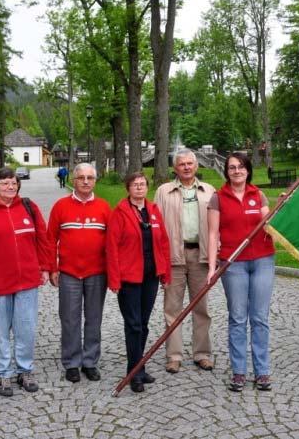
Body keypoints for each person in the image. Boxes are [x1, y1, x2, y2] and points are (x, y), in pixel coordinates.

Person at [0, 167, 54, 397]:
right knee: (1, 330)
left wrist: (45, 267)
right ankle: (4, 372)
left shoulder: (28, 207)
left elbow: (43, 239)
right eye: (5, 183)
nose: (10, 187)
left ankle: (25, 370)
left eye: (13, 183)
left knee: (26, 329)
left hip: (26, 281)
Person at [207, 152, 275, 393]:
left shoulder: (259, 195)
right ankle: (238, 372)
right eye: (232, 168)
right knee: (237, 318)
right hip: (232, 263)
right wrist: (212, 267)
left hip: (262, 261)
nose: (236, 171)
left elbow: (270, 225)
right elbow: (213, 234)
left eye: (240, 167)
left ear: (248, 170)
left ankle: (262, 372)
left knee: (259, 318)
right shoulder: (218, 198)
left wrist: (282, 209)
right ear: (227, 172)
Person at [106, 172, 171, 393]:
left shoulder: (153, 211)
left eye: (143, 184)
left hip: (150, 276)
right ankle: (133, 372)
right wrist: (114, 279)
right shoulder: (120, 213)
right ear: (128, 188)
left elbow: (163, 242)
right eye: (135, 185)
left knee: (143, 324)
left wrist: (165, 272)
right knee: (133, 325)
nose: (140, 188)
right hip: (129, 278)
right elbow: (111, 248)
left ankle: (139, 367)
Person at [47, 163, 111, 383]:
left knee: (94, 318)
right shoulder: (61, 206)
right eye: (81, 178)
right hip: (69, 272)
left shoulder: (104, 207)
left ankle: (90, 361)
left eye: (90, 178)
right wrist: (52, 268)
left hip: (97, 272)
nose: (85, 181)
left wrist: (112, 271)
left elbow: (112, 243)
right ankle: (72, 362)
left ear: (95, 181)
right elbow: (49, 239)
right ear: (73, 180)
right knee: (70, 319)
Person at [154, 149, 216, 374]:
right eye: (182, 164)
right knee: (172, 309)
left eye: (190, 163)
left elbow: (218, 225)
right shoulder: (163, 191)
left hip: (201, 256)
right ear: (175, 168)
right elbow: (156, 227)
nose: (187, 167)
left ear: (196, 166)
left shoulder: (209, 191)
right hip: (174, 257)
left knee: (202, 308)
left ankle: (202, 354)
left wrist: (214, 253)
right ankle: (174, 355)